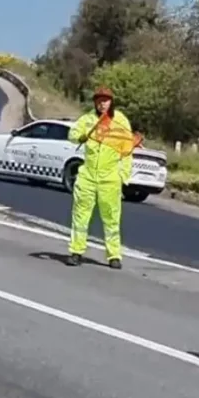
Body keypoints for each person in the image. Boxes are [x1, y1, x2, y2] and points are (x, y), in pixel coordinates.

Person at [66, 87, 132, 269]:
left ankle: (114, 255)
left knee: (111, 219)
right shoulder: (87, 119)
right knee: (80, 217)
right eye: (99, 100)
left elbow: (127, 153)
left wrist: (122, 177)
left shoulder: (121, 121)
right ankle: (76, 252)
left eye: (106, 100)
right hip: (87, 176)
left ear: (111, 102)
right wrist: (81, 136)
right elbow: (71, 135)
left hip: (110, 179)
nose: (102, 103)